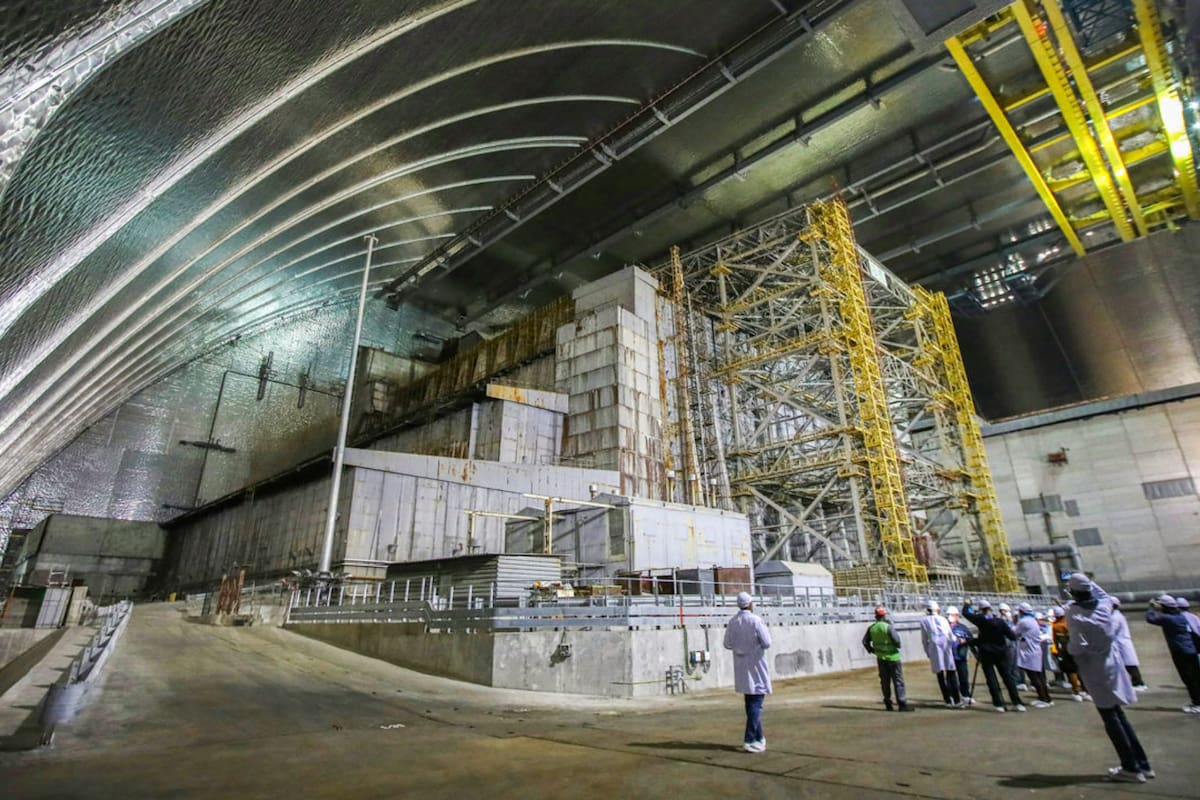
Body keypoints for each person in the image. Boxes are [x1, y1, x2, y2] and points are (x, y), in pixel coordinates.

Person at [1064, 573, 1154, 783]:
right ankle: (1142, 764)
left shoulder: (1075, 614)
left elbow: (1077, 646)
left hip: (1095, 670)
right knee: (1119, 715)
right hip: (1111, 663)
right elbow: (1102, 594)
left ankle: (1131, 767)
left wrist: (1068, 651)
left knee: (1111, 718)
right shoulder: (1104, 607)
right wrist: (1085, 579)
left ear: (1074, 592)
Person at [723, 591, 772, 751]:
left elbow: (727, 643)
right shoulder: (756, 621)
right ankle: (749, 739)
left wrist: (740, 647)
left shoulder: (733, 622)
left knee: (750, 703)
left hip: (742, 667)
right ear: (750, 604)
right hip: (756, 664)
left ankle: (760, 737)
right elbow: (766, 642)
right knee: (756, 703)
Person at [962, 598, 1025, 712]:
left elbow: (966, 613)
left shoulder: (981, 620)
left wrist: (967, 604)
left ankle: (998, 704)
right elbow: (1011, 636)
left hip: (986, 653)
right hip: (1001, 652)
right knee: (1007, 677)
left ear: (981, 610)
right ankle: (1017, 702)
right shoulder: (1000, 621)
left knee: (991, 678)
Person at [1145, 594, 1200, 713]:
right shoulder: (1180, 616)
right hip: (1191, 649)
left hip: (1180, 651)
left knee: (1188, 678)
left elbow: (1150, 618)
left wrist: (1152, 607)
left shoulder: (1168, 618)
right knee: (1196, 677)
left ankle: (1197, 703)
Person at [863, 605, 913, 712]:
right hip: (893, 657)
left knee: (885, 681)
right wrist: (896, 646)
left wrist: (872, 650)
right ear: (884, 615)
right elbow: (897, 641)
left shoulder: (872, 628)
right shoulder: (888, 627)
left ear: (875, 616)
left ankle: (888, 703)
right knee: (898, 681)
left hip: (881, 658)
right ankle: (902, 703)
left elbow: (865, 642)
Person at [919, 600, 962, 708]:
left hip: (934, 649)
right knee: (951, 672)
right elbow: (949, 634)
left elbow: (924, 639)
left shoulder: (924, 621)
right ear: (937, 609)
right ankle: (956, 700)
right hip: (946, 647)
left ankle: (947, 699)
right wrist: (958, 640)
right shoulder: (943, 619)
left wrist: (927, 652)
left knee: (940, 674)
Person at [1014, 602, 1054, 707]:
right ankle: (1047, 698)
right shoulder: (1033, 620)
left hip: (1028, 652)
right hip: (1035, 650)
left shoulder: (1023, 621)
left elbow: (1014, 632)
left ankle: (1043, 698)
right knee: (1040, 676)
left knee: (1034, 677)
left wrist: (1014, 621)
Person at [1050, 605, 1088, 701]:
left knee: (1071, 671)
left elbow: (1055, 640)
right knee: (1081, 670)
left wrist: (1058, 652)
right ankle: (1086, 690)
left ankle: (1076, 691)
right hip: (1078, 647)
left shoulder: (1056, 626)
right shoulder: (1071, 622)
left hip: (1066, 649)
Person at [1109, 597, 1146, 691]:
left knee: (1129, 664)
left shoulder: (1115, 617)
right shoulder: (1116, 615)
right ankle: (1135, 682)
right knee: (1126, 663)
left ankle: (1138, 683)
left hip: (1121, 643)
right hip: (1120, 642)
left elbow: (1110, 631)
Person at [946, 606, 975, 705]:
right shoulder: (944, 626)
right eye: (949, 615)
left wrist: (965, 641)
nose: (950, 617)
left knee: (963, 676)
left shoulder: (962, 627)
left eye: (952, 615)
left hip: (961, 655)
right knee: (950, 678)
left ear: (957, 616)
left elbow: (971, 639)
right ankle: (952, 696)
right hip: (949, 656)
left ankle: (966, 695)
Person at [998, 602, 1025, 690]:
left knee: (1015, 663)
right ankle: (1017, 681)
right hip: (1008, 644)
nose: (1003, 612)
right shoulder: (1002, 620)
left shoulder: (1013, 621)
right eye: (1002, 610)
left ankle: (1019, 681)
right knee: (1011, 663)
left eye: (1004, 610)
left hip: (1013, 643)